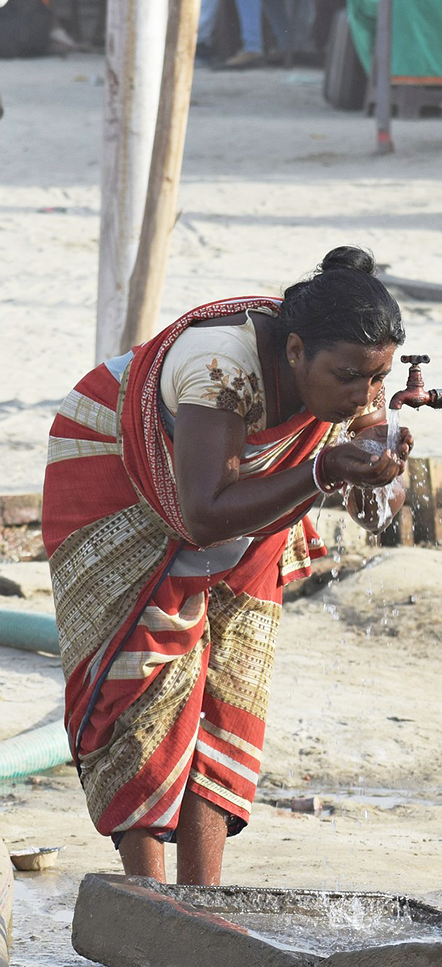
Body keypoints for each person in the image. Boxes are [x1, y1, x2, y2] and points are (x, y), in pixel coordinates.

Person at [41, 246, 413, 886]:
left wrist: (384, 467)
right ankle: (147, 900)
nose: (364, 395)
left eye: (377, 379)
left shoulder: (355, 371)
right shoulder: (221, 366)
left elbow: (376, 514)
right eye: (349, 378)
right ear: (295, 351)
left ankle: (203, 905)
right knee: (143, 684)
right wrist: (322, 470)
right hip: (119, 476)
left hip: (253, 502)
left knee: (232, 686)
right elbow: (206, 512)